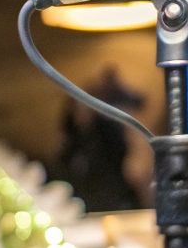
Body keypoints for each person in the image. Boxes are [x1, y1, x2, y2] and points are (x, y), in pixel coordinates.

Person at [53, 65, 147, 212]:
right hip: (85, 190)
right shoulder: (73, 131)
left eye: (85, 107)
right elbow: (64, 156)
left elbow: (120, 155)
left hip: (111, 192)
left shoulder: (106, 129)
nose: (82, 112)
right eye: (77, 107)